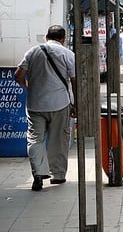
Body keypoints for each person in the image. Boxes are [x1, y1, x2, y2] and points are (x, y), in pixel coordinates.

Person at [14, 25, 76, 191]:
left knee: (35, 139)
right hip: (59, 103)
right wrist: (74, 102)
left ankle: (38, 173)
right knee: (58, 140)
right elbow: (74, 80)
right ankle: (57, 175)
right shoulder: (68, 54)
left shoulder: (32, 52)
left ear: (47, 36)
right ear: (63, 38)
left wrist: (27, 86)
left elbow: (18, 75)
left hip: (36, 104)